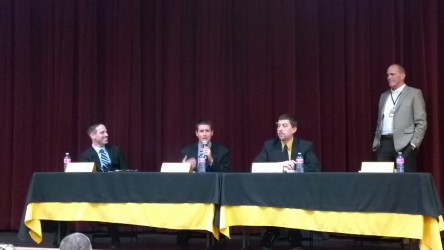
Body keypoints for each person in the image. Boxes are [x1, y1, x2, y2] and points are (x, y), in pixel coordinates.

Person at [254, 114, 321, 250]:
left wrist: (296, 166)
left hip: (298, 190)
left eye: (284, 126)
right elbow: (256, 166)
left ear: (294, 129)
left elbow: (315, 168)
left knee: (294, 197)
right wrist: (281, 166)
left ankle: (293, 232)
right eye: (278, 125)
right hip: (273, 190)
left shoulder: (305, 146)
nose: (280, 129)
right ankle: (273, 230)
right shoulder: (269, 146)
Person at [177, 120, 231, 247]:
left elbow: (227, 173)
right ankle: (183, 234)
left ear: (212, 133)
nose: (204, 134)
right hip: (192, 191)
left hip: (214, 191)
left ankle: (218, 236)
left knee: (221, 201)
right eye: (201, 131)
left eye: (207, 131)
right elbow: (179, 177)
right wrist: (185, 167)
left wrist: (212, 160)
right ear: (196, 134)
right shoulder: (187, 151)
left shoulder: (222, 151)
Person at [78, 123, 128, 247]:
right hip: (97, 192)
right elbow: (86, 180)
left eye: (106, 132)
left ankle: (115, 239)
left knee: (112, 201)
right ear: (92, 135)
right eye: (102, 132)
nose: (106, 134)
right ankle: (114, 238)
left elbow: (126, 172)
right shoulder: (85, 156)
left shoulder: (116, 151)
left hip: (117, 190)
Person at [372, 64, 427, 172]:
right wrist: (377, 142)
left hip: (405, 144)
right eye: (387, 75)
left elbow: (421, 122)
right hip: (384, 144)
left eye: (392, 74)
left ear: (402, 76)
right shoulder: (384, 96)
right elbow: (379, 121)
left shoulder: (414, 93)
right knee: (383, 181)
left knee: (405, 181)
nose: (388, 77)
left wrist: (413, 145)